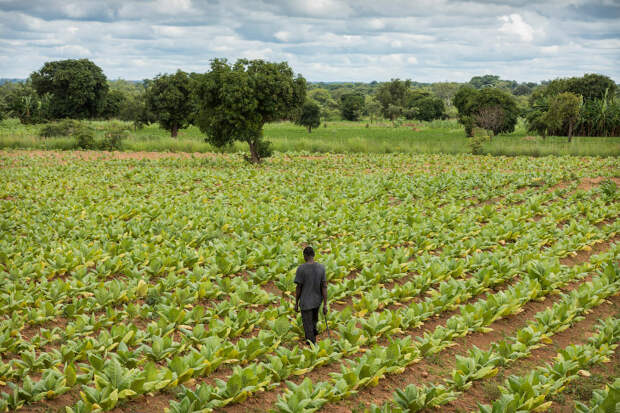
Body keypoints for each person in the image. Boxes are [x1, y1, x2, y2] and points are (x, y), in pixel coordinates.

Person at [294, 246, 327, 344]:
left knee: (307, 325)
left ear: (305, 256)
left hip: (305, 302)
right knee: (313, 322)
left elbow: (298, 287)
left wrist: (296, 302)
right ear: (313, 255)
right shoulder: (321, 268)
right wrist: (325, 304)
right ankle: (312, 337)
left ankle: (312, 346)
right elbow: (324, 287)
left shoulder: (301, 268)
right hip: (317, 302)